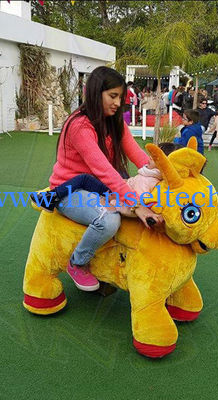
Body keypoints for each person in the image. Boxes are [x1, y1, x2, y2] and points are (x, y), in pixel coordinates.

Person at [45, 66, 163, 291]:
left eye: (120, 97)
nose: (118, 103)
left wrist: (162, 173)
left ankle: (111, 268)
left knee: (147, 203)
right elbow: (104, 170)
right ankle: (77, 262)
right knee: (109, 220)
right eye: (113, 96)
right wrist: (136, 205)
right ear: (95, 92)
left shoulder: (115, 122)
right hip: (70, 190)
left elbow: (138, 155)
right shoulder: (79, 125)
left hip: (99, 188)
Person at [31, 143, 183, 213]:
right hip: (121, 188)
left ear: (162, 165)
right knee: (118, 171)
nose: (148, 157)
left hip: (113, 194)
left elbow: (135, 201)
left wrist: (111, 201)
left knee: (84, 179)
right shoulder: (150, 174)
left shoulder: (147, 180)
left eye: (154, 157)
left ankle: (51, 198)